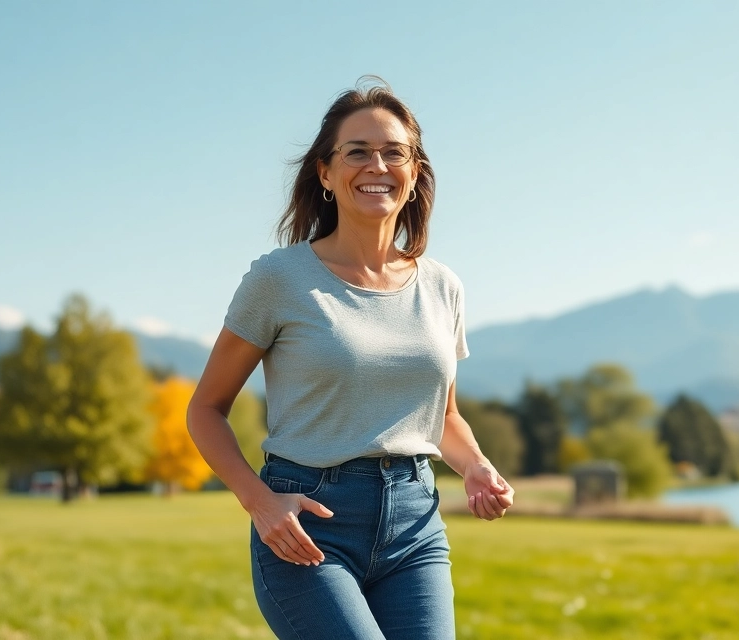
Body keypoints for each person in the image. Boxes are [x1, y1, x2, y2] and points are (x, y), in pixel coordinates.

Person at [187, 78, 515, 640]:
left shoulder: (442, 286)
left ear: (414, 174)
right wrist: (260, 503)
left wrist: (477, 465)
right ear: (326, 172)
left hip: (415, 527)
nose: (377, 165)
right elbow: (206, 410)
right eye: (357, 152)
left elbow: (441, 415)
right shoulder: (280, 280)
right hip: (310, 524)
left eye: (394, 153)